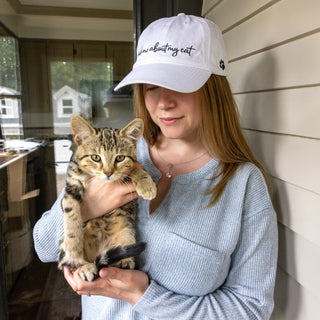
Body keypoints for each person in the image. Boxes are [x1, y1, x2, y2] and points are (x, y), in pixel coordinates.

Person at [33, 14, 278, 319]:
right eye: (150, 87)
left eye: (180, 84)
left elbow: (251, 309)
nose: (163, 102)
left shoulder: (244, 185)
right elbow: (43, 247)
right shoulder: (115, 157)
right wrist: (88, 206)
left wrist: (142, 295)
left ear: (213, 88)